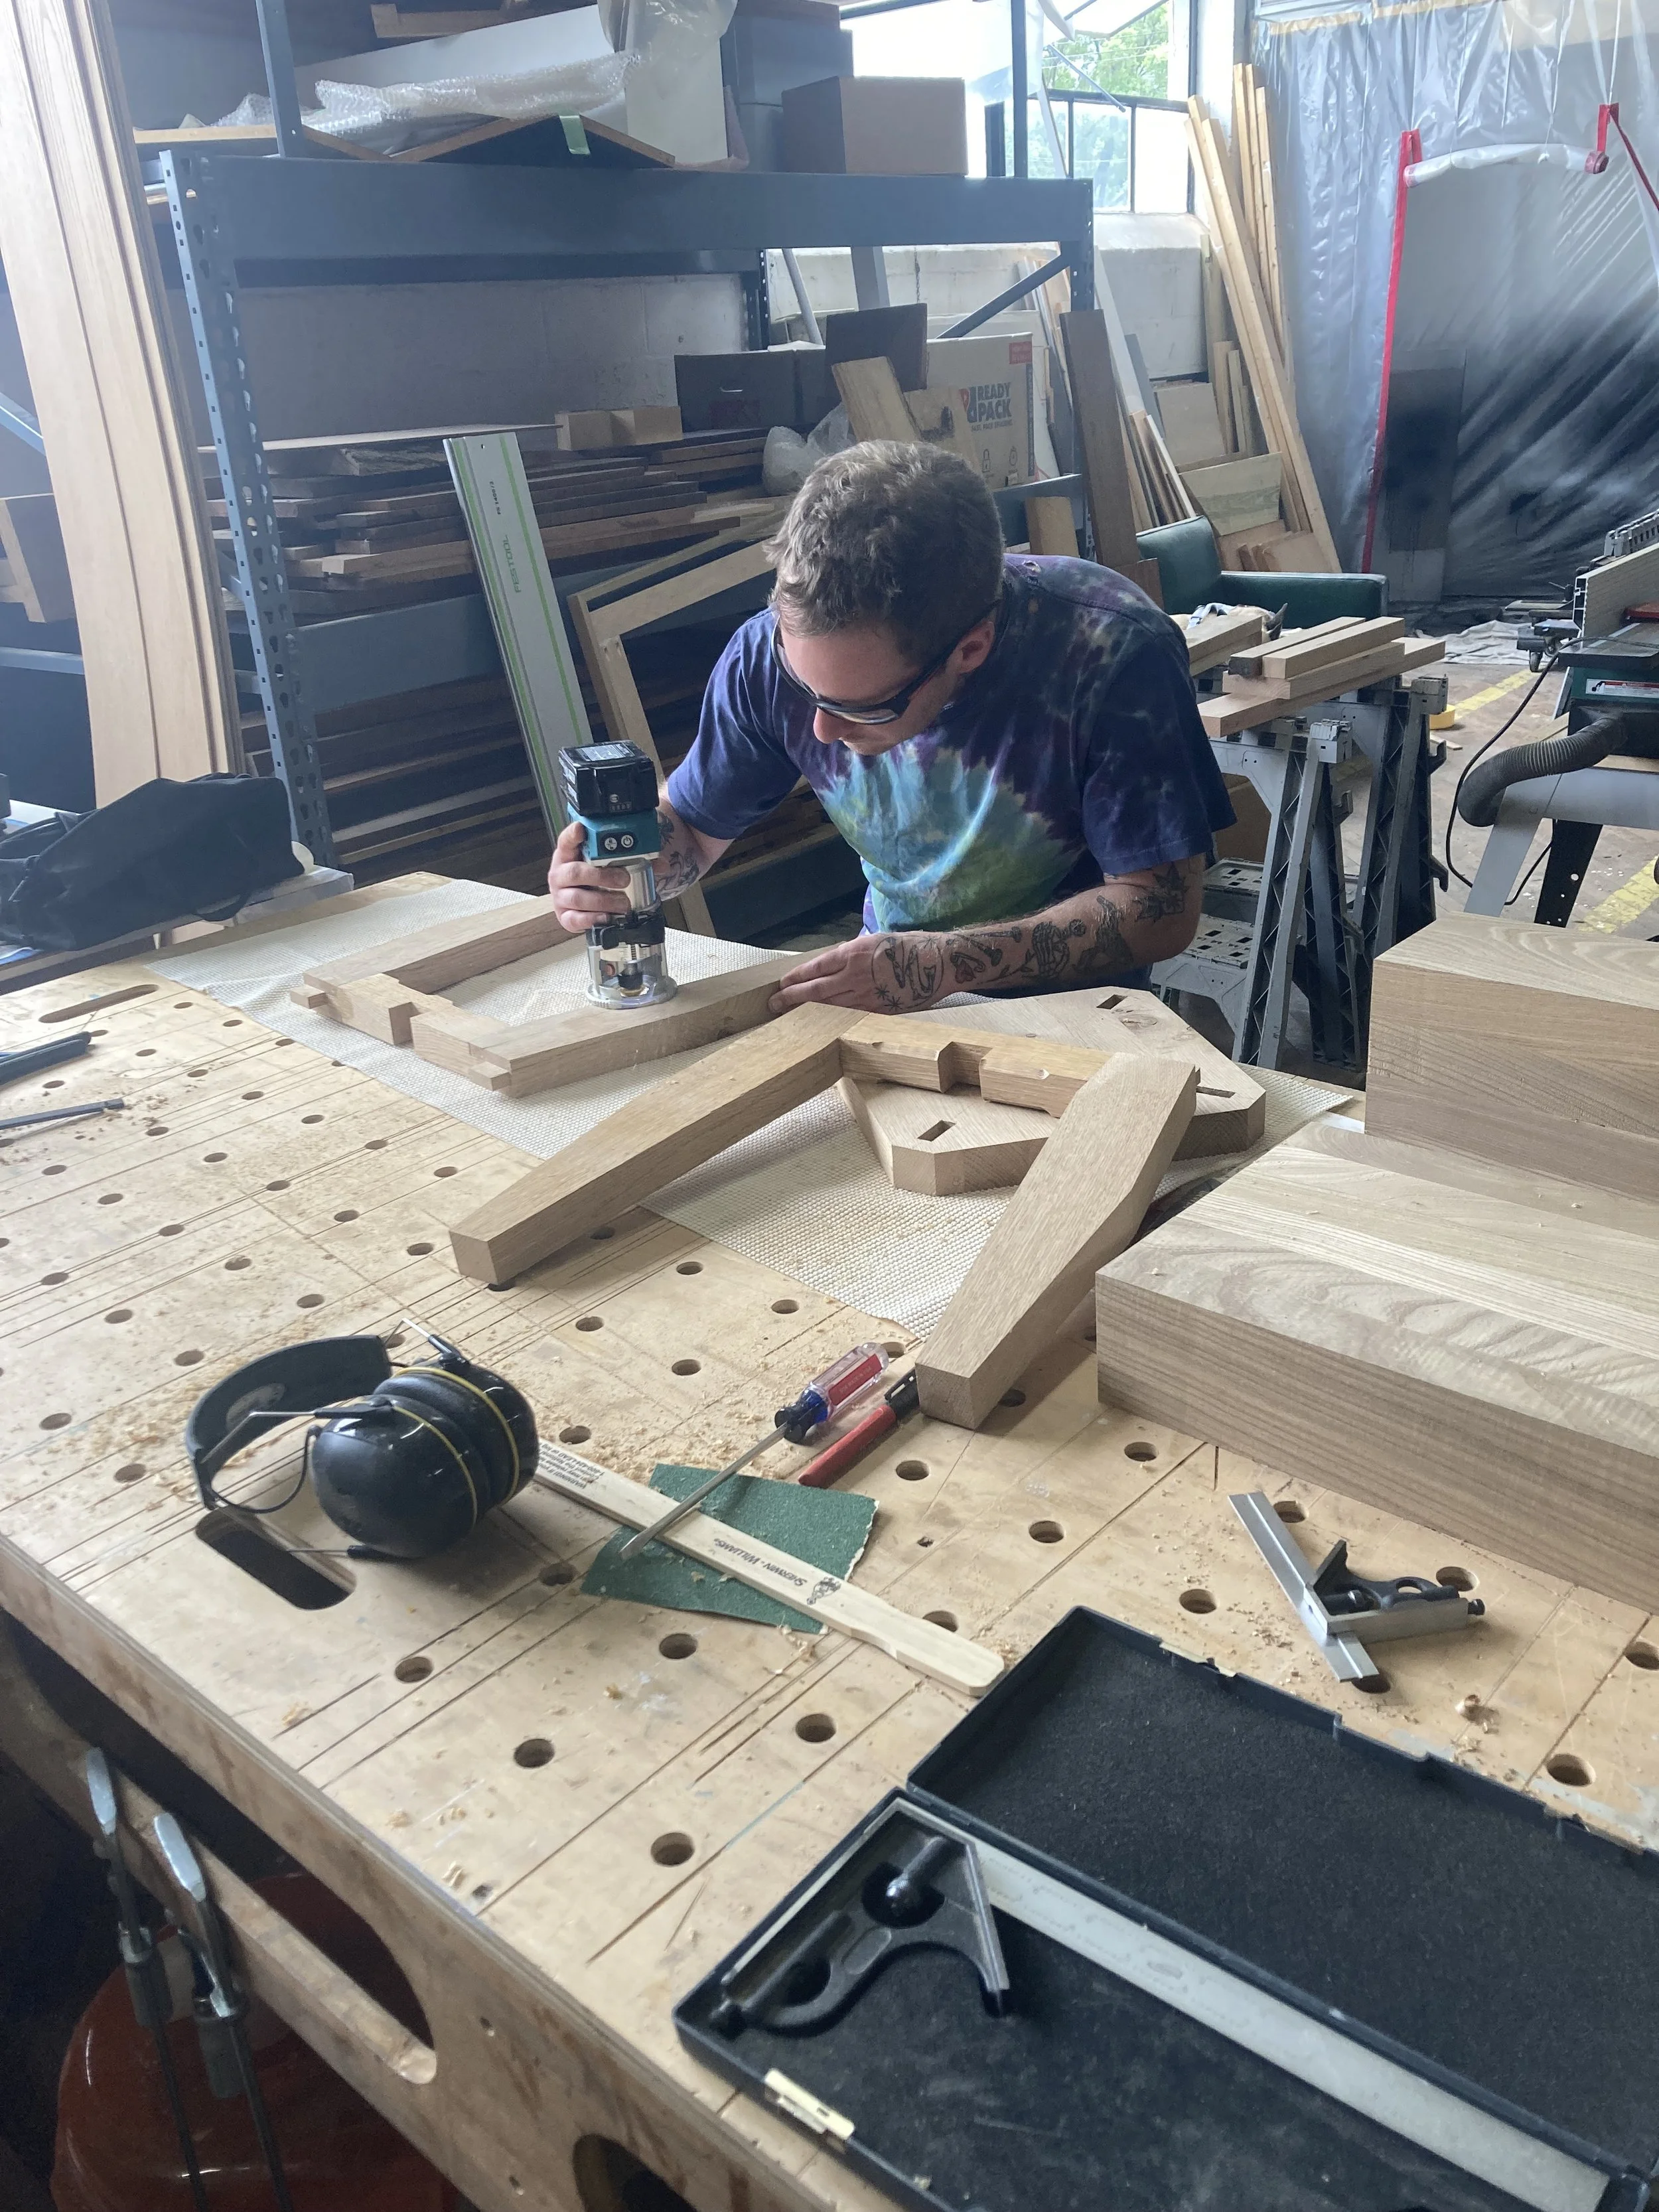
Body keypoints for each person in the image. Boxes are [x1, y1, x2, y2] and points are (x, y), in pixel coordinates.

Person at [548, 439, 1232, 1013]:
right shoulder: (768, 656)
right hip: (883, 983)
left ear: (970, 649)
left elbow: (1159, 909)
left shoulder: (1110, 654)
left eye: (859, 707)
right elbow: (692, 834)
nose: (819, 730)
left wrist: (941, 964)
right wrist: (624, 873)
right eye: (803, 687)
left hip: (1074, 1012)